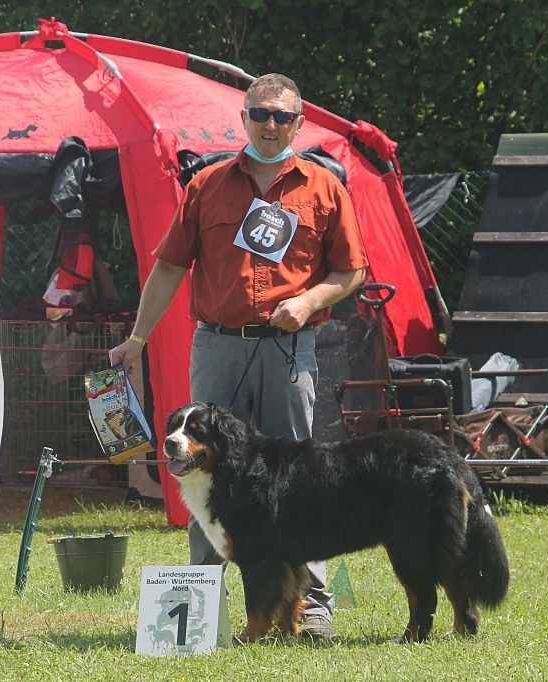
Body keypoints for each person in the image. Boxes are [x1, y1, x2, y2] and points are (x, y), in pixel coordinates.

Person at [109, 73, 368, 639]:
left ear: (299, 124)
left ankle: (314, 600)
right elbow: (171, 266)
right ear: (244, 118)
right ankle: (203, 595)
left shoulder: (325, 188)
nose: (270, 126)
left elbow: (352, 271)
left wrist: (310, 300)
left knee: (297, 479)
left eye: (282, 117)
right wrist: (137, 338)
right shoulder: (205, 184)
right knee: (201, 468)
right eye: (260, 114)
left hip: (289, 349)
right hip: (218, 348)